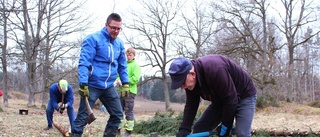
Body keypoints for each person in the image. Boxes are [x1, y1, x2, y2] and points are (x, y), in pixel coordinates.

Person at [168, 54, 257, 137]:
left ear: (192, 74)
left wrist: (226, 125)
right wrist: (184, 128)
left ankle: (237, 128)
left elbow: (231, 101)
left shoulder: (215, 69)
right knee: (200, 128)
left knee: (242, 133)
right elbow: (191, 105)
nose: (182, 87)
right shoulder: (190, 81)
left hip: (244, 95)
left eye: (182, 82)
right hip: (222, 100)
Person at [71, 13, 130, 137]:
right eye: (113, 27)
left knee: (117, 115)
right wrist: (83, 83)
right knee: (83, 117)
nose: (116, 31)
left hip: (108, 86)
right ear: (106, 25)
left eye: (118, 28)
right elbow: (84, 62)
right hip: (92, 84)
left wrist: (125, 83)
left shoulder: (119, 44)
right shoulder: (93, 39)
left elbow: (122, 65)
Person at [115, 48, 141, 135]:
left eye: (130, 55)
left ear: (134, 55)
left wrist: (125, 81)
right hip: (122, 90)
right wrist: (118, 80)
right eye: (127, 55)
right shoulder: (124, 65)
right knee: (119, 110)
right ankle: (118, 128)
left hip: (131, 91)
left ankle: (128, 130)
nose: (129, 57)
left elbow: (135, 79)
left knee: (128, 110)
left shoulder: (136, 66)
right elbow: (118, 74)